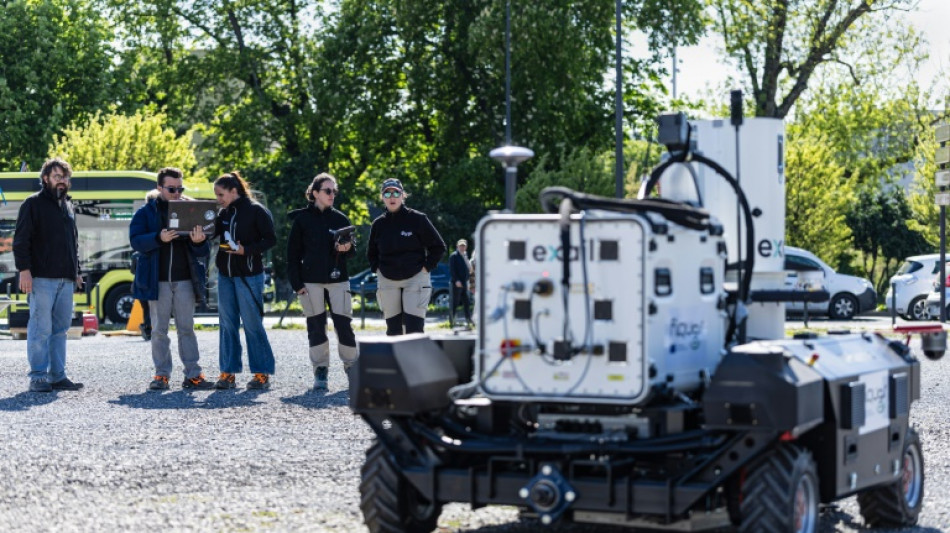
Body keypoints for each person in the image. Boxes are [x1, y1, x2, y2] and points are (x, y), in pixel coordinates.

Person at [129, 167, 213, 391]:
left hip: (185, 280)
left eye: (180, 189)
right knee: (159, 330)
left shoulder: (191, 209)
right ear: (159, 188)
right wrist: (159, 237)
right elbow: (135, 241)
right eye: (171, 189)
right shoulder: (146, 212)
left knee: (187, 328)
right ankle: (162, 375)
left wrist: (198, 241)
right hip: (157, 281)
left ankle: (193, 375)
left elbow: (204, 249)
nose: (177, 193)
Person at [13, 157, 84, 393]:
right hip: (41, 279)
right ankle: (37, 377)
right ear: (45, 178)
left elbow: (73, 243)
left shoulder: (68, 206)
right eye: (57, 177)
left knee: (60, 330)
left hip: (66, 279)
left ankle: (57, 376)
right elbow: (21, 241)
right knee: (40, 329)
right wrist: (24, 271)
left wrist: (76, 271)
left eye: (65, 177)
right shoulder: (32, 204)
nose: (62, 181)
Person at [287, 173, 358, 391]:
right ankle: (320, 370)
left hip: (339, 281)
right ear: (315, 193)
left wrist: (347, 248)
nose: (332, 194)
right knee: (316, 327)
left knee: (344, 326)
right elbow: (292, 254)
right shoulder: (301, 220)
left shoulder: (341, 219)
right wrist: (297, 284)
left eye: (334, 191)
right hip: (310, 283)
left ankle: (352, 367)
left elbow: (352, 251)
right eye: (327, 190)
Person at [212, 172, 277, 390]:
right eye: (216, 195)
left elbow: (270, 239)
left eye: (221, 194)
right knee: (227, 325)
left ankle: (261, 373)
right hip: (225, 276)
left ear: (234, 191)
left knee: (252, 324)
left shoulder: (257, 210)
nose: (218, 199)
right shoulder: (223, 213)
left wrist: (245, 250)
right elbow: (213, 234)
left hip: (249, 276)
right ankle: (228, 373)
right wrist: (200, 234)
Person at [367, 178, 446, 335]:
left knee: (414, 330)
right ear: (382, 197)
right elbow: (371, 253)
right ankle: (394, 353)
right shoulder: (378, 224)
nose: (392, 197)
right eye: (387, 193)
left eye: (396, 193)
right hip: (388, 280)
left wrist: (426, 268)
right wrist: (377, 269)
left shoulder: (418, 219)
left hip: (416, 278)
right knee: (393, 331)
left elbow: (438, 247)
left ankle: (415, 353)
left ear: (403, 195)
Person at [449, 239, 473, 327]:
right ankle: (452, 321)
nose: (462, 247)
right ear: (457, 246)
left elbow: (469, 269)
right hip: (457, 283)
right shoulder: (454, 256)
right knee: (455, 303)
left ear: (466, 247)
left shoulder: (465, 256)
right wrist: (456, 280)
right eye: (461, 246)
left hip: (465, 283)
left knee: (466, 302)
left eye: (464, 246)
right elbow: (452, 270)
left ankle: (469, 320)